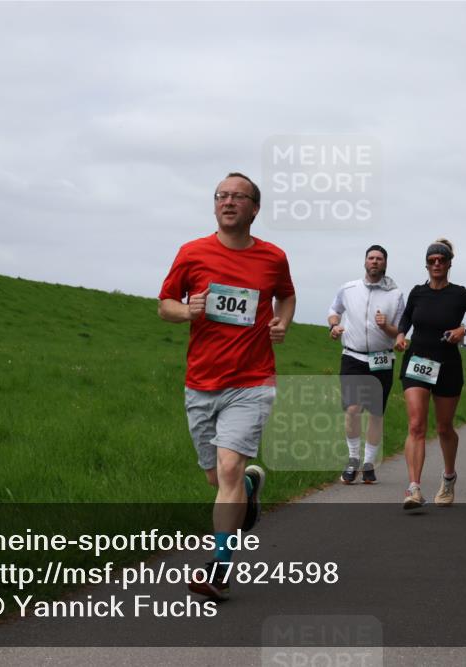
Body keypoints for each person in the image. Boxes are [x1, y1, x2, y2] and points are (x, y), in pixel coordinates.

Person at [158, 172, 296, 600]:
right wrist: (187, 312)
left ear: (255, 208)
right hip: (201, 383)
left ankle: (219, 569)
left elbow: (286, 295)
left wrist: (282, 321)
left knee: (229, 468)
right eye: (221, 195)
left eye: (238, 196)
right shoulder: (192, 253)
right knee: (218, 479)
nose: (228, 201)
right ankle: (251, 490)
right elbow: (164, 305)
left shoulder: (273, 257)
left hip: (252, 381)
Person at [394, 238, 466, 509]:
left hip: (447, 365)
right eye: (432, 260)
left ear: (450, 263)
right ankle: (413, 488)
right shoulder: (417, 292)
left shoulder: (460, 294)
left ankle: (448, 478)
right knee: (416, 425)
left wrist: (465, 330)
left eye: (441, 259)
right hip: (417, 362)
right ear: (426, 264)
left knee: (444, 428)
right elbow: (406, 318)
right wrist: (401, 334)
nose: (436, 263)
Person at [328, 245, 405, 484]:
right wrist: (334, 325)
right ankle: (352, 459)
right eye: (371, 258)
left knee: (375, 413)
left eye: (379, 259)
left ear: (385, 264)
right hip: (353, 356)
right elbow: (333, 310)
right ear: (364, 262)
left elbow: (400, 331)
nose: (374, 262)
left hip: (381, 359)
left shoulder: (396, 294)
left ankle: (369, 464)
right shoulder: (348, 288)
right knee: (352, 409)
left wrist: (386, 327)